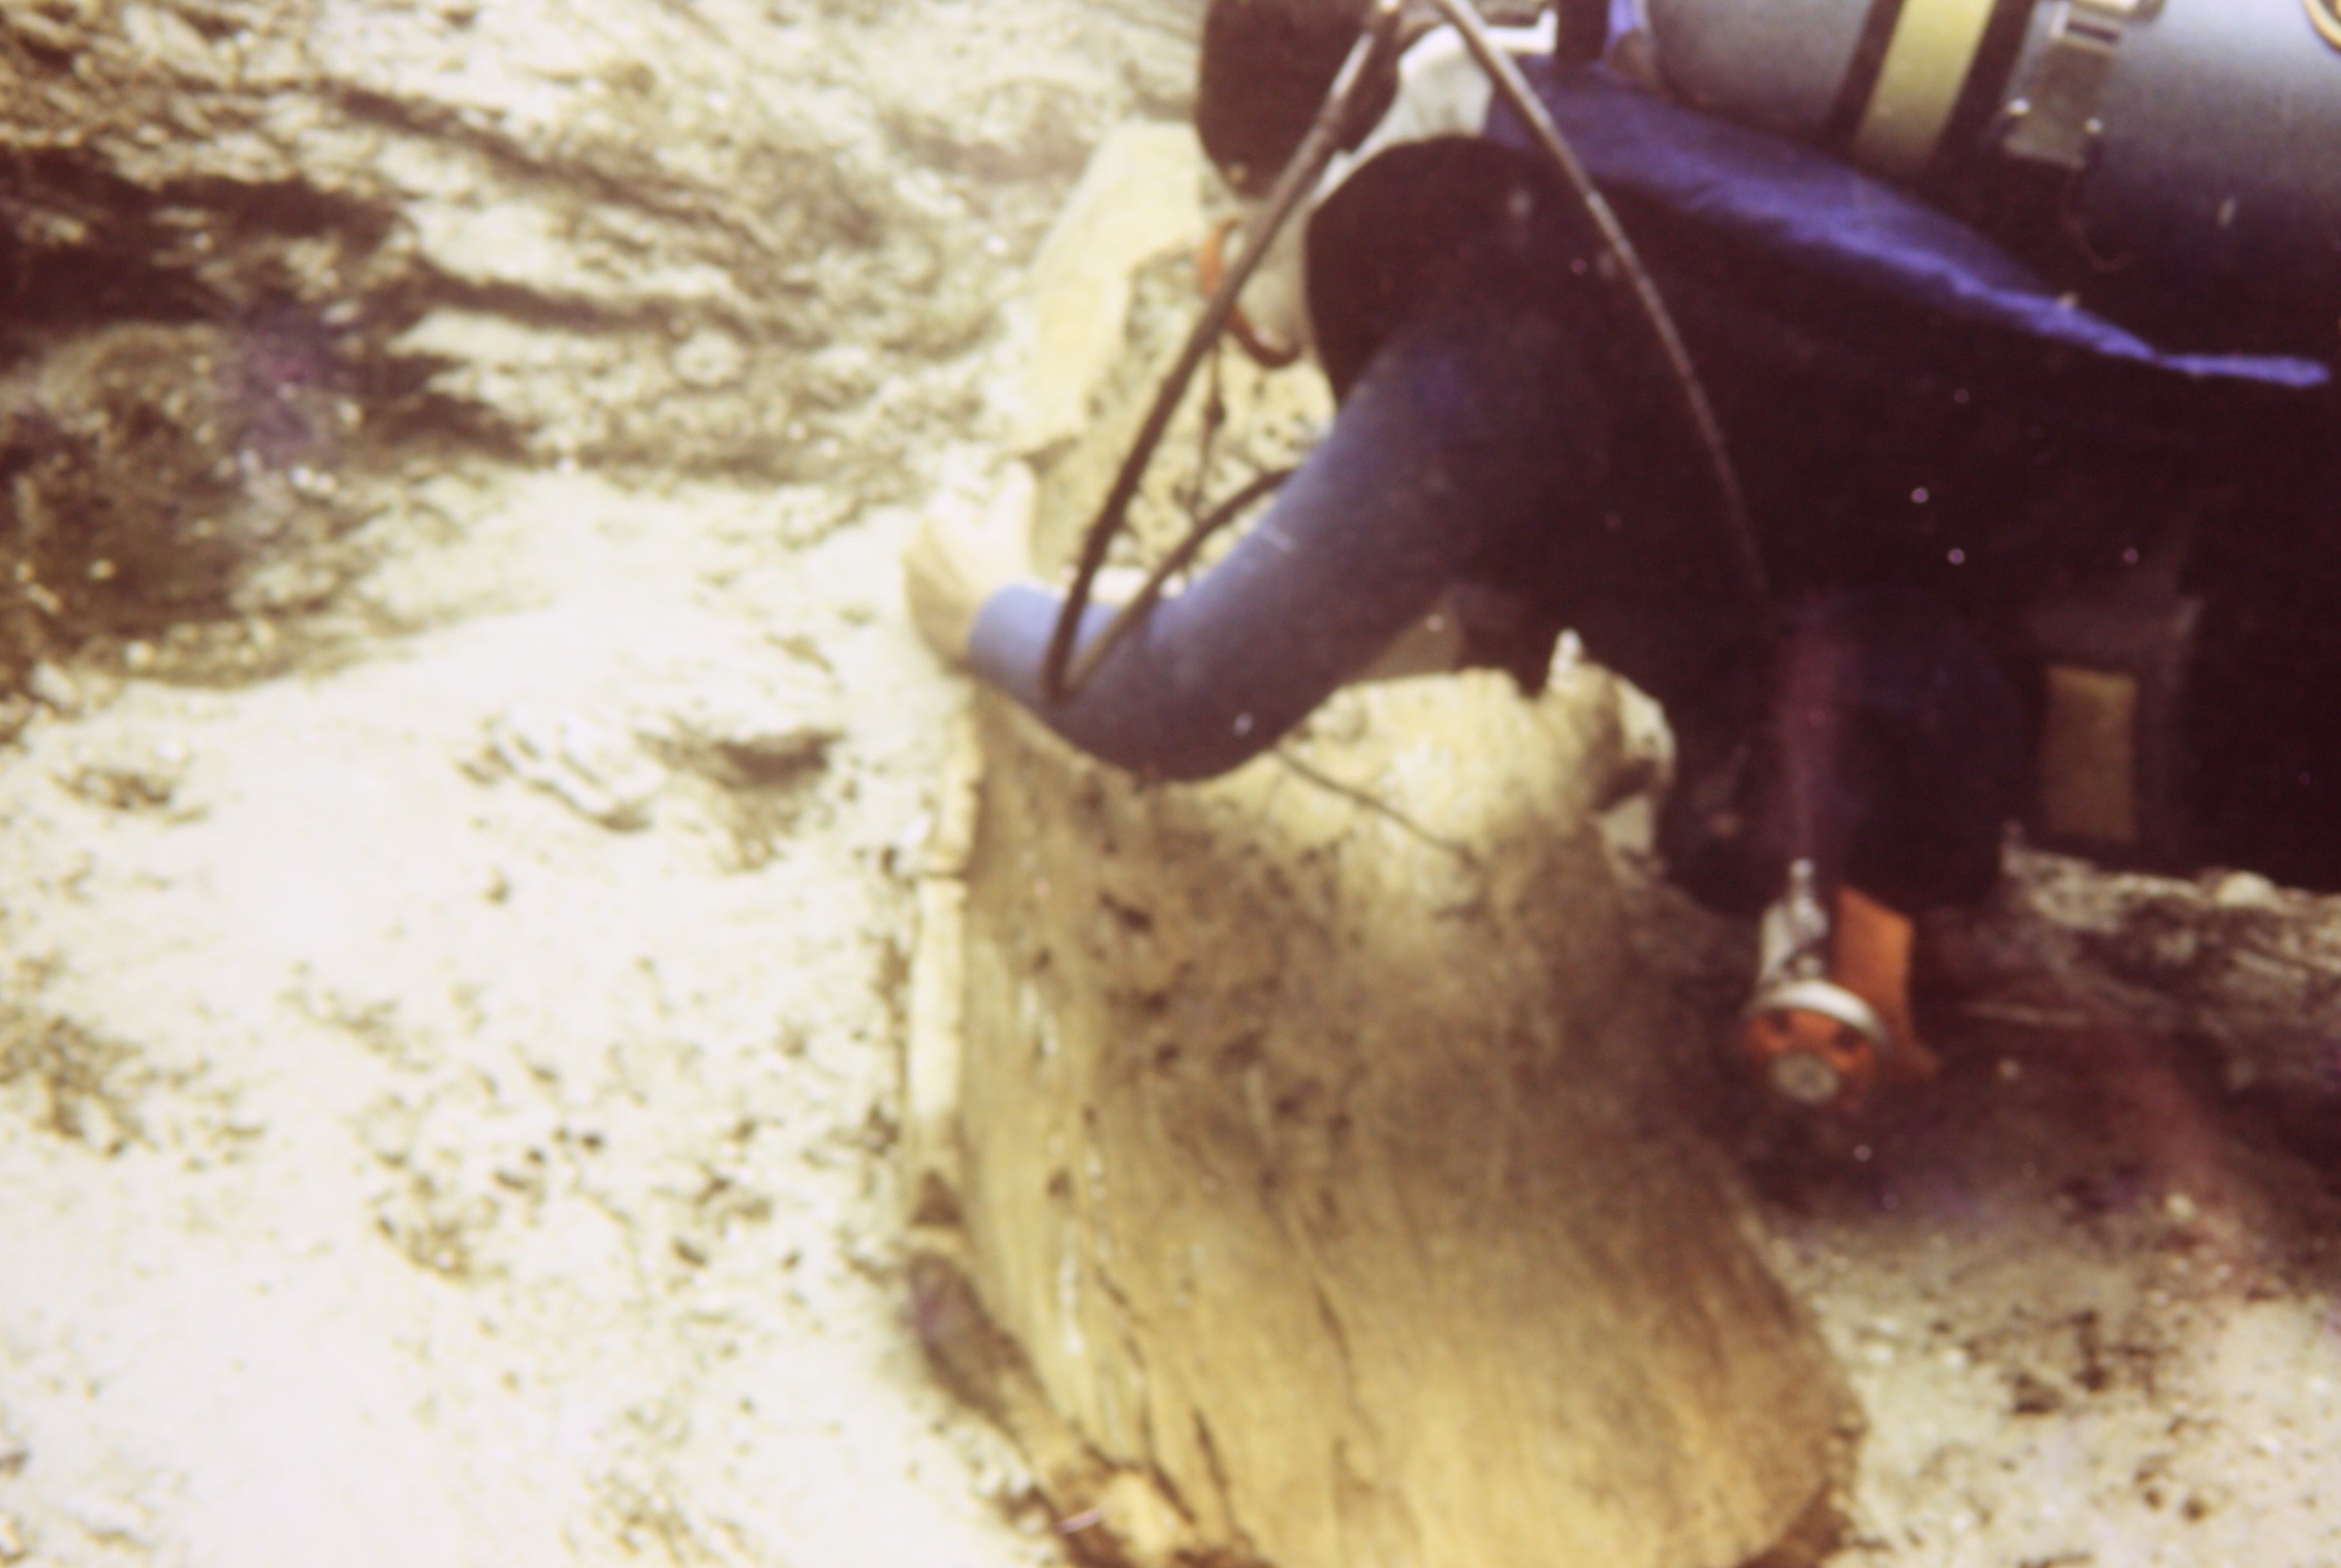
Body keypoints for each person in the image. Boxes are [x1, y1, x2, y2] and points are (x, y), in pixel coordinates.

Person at [906, 0, 2340, 1108]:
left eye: (1237, 217)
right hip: (2238, 516)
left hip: (2220, 651)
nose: (1237, 277)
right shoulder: (1624, 125)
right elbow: (1564, 570)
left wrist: (977, 604)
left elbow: (1181, 697)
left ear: (1298, 174)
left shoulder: (1497, 318)